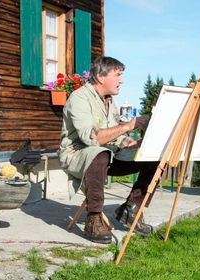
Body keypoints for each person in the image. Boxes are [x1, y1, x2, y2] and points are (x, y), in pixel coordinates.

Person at [59, 56, 159, 244]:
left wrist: (130, 143)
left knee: (153, 157)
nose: (121, 80)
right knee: (99, 153)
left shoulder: (109, 102)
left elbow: (115, 135)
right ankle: (94, 218)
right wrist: (129, 125)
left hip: (107, 155)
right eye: (117, 75)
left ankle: (131, 209)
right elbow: (91, 138)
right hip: (77, 155)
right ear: (100, 76)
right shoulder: (79, 98)